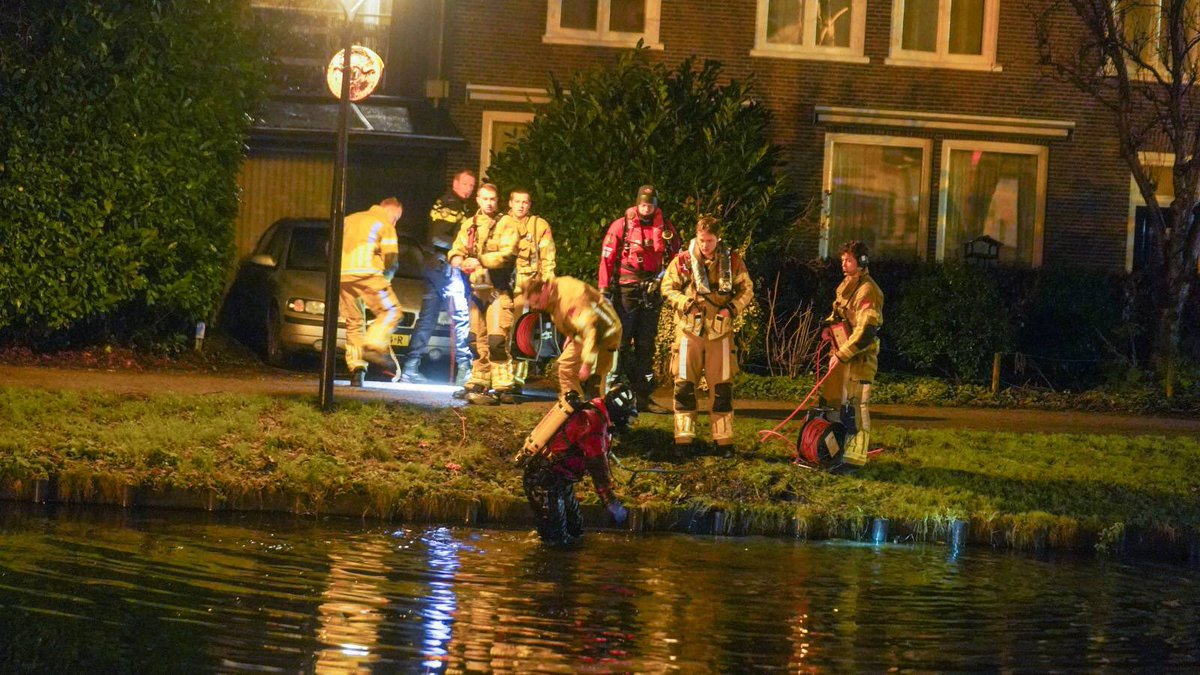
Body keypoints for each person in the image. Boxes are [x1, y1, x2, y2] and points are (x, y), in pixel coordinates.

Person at [661, 215, 753, 450]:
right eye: (702, 240)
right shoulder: (682, 261)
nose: (705, 246)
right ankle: (683, 440)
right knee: (683, 387)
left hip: (719, 334)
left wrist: (731, 309)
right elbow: (667, 287)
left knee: (722, 389)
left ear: (718, 238)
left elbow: (747, 289)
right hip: (689, 332)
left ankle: (723, 441)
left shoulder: (732, 261)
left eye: (710, 241)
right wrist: (685, 303)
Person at [598, 185, 680, 413]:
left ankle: (643, 396)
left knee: (646, 345)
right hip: (627, 290)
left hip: (652, 291)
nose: (646, 209)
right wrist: (604, 289)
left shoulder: (666, 228)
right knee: (620, 343)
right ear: (637, 203)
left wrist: (663, 280)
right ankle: (612, 395)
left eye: (650, 205)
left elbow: (676, 258)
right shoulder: (621, 225)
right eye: (643, 205)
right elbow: (606, 257)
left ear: (655, 205)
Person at [520, 385, 636, 545]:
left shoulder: (597, 412)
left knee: (575, 531)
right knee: (555, 541)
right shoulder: (594, 421)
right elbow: (597, 463)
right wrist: (609, 499)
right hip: (544, 480)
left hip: (558, 480)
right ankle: (545, 564)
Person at [402, 170, 476, 385]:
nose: (469, 189)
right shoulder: (451, 204)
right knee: (462, 315)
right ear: (455, 183)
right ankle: (465, 369)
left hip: (434, 267)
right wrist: (462, 249)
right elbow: (436, 236)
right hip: (445, 268)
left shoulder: (451, 202)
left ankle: (410, 367)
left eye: (471, 185)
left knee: (427, 318)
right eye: (465, 184)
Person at [448, 183, 520, 405]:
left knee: (497, 340)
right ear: (477, 200)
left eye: (493, 199)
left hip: (498, 290)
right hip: (475, 292)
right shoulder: (470, 224)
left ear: (497, 201)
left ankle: (503, 385)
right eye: (485, 198)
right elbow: (456, 250)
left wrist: (478, 260)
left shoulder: (507, 224)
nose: (489, 203)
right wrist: (458, 261)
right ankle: (479, 379)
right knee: (475, 340)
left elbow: (507, 255)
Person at [821, 240, 884, 467]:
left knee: (856, 409)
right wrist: (829, 328)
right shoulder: (846, 285)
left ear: (862, 262)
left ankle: (854, 460)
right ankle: (832, 452)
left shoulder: (868, 291)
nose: (844, 265)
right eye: (842, 260)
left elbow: (866, 331)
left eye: (849, 260)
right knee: (834, 404)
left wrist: (841, 354)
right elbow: (837, 314)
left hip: (858, 360)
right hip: (840, 357)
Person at [339, 197, 405, 386]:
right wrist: (386, 281)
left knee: (354, 321)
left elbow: (330, 246)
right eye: (397, 218)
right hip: (368, 274)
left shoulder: (349, 219)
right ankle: (373, 346)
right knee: (392, 311)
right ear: (392, 211)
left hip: (342, 276)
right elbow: (391, 259)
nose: (395, 222)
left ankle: (357, 368)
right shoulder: (385, 224)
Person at [523, 276, 621, 398]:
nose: (535, 307)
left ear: (544, 290)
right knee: (571, 370)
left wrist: (587, 364)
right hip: (595, 329)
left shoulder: (571, 300)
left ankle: (580, 406)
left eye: (537, 302)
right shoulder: (556, 291)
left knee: (592, 377)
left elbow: (591, 331)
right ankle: (577, 404)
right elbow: (569, 320)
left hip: (604, 332)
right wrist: (571, 334)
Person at [502, 188, 556, 393]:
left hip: (526, 288)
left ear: (529, 205)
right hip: (502, 287)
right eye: (517, 201)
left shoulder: (538, 226)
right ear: (510, 203)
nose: (521, 206)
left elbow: (548, 257)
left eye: (525, 202)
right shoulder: (501, 224)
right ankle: (498, 375)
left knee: (520, 333)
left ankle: (516, 378)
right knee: (500, 331)